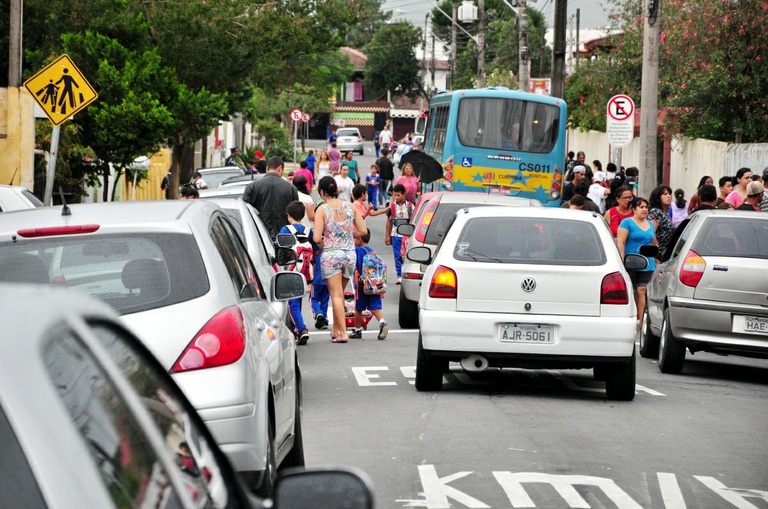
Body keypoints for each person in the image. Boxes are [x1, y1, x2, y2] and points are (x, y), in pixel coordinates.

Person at [313, 177, 367, 343]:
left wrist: (325, 241)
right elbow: (363, 230)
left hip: (331, 255)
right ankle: (335, 330)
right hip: (349, 255)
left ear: (322, 192)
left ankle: (343, 333)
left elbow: (316, 238)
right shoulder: (350, 206)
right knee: (340, 293)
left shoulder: (322, 210)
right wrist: (349, 236)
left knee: (335, 295)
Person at [616, 197, 657, 326]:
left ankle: (640, 320)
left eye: (646, 207)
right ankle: (632, 316)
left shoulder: (650, 224)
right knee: (631, 290)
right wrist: (621, 261)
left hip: (648, 263)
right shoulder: (626, 223)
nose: (644, 210)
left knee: (642, 290)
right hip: (631, 262)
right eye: (641, 207)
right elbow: (621, 243)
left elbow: (655, 243)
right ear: (634, 209)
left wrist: (656, 258)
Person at [279, 201, 314, 346]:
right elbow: (315, 248)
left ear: (288, 216)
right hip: (306, 271)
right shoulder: (308, 230)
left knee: (292, 302)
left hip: (292, 269)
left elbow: (280, 247)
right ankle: (296, 330)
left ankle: (301, 329)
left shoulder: (285, 229)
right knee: (297, 301)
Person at [243, 156, 299, 239]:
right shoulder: (291, 188)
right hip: (285, 238)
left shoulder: (252, 187)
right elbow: (296, 215)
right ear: (280, 168)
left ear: (267, 168)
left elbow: (245, 212)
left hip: (259, 237)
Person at [348, 231, 389, 341]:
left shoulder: (357, 250)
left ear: (359, 239)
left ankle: (357, 330)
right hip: (375, 285)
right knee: (375, 308)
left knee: (358, 308)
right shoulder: (373, 252)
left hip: (362, 285)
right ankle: (382, 322)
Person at [385, 183, 414, 285]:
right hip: (395, 234)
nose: (396, 197)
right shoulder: (392, 207)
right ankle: (399, 275)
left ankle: (407, 273)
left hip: (407, 235)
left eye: (398, 195)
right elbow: (389, 222)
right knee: (397, 255)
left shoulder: (410, 206)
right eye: (395, 195)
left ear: (403, 194)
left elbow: (413, 220)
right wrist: (387, 236)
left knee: (406, 255)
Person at [648, 185, 675, 259]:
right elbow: (651, 232)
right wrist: (656, 252)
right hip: (659, 255)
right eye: (665, 194)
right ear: (658, 197)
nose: (669, 196)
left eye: (669, 194)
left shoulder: (665, 213)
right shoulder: (656, 212)